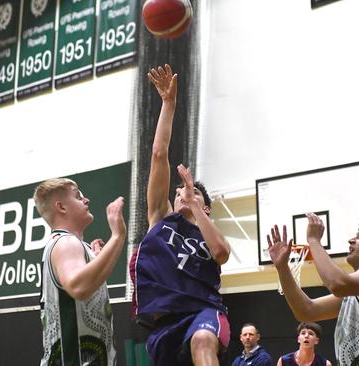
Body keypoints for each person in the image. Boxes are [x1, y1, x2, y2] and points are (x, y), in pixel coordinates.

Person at [129, 64, 231, 366]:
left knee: (202, 340)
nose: (183, 194)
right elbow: (159, 154)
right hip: (164, 323)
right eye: (179, 193)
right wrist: (168, 104)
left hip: (205, 312)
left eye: (193, 193)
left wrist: (196, 207)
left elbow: (222, 253)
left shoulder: (206, 230)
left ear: (206, 207)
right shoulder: (161, 219)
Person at [268, 214, 359, 366]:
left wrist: (314, 241)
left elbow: (337, 284)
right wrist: (282, 267)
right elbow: (306, 311)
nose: (351, 240)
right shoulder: (354, 294)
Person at [34, 178, 126, 366]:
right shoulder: (65, 242)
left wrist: (96, 258)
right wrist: (117, 236)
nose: (86, 200)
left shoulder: (71, 245)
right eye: (78, 196)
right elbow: (79, 286)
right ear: (61, 207)